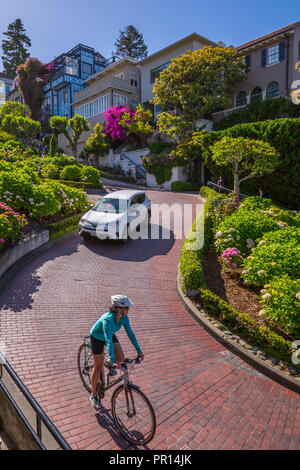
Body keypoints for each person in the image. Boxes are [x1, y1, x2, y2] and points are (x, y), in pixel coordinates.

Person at [89, 295, 144, 410]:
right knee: (98, 367)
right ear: (119, 308)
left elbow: (131, 334)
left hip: (108, 334)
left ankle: (108, 363)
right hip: (97, 336)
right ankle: (93, 395)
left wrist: (139, 351)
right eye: (126, 308)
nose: (128, 310)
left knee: (121, 357)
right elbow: (108, 340)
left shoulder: (124, 318)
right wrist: (112, 359)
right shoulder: (108, 319)